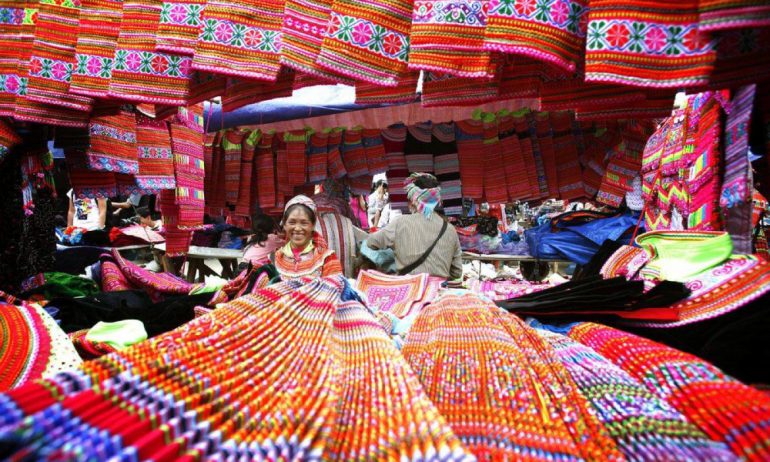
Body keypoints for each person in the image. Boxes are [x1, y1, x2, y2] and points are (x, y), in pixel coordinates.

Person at [367, 173, 462, 280]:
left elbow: (370, 242)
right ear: (436, 201)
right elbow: (457, 272)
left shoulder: (400, 223)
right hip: (438, 291)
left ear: (414, 200)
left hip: (408, 290)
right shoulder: (450, 229)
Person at [270, 195, 343, 280]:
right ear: (285, 225)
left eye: (304, 223)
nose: (297, 228)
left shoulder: (327, 259)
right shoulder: (275, 259)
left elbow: (336, 289)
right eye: (292, 222)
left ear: (313, 225)